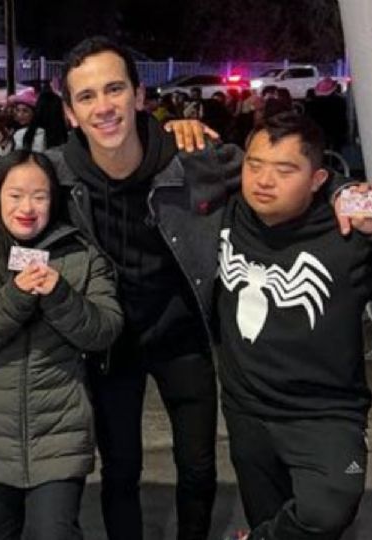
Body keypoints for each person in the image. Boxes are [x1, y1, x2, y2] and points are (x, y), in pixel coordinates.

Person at [46, 36, 243, 540]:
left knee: (199, 468)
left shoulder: (191, 157)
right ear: (70, 113)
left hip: (184, 337)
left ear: (139, 96)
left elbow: (273, 172)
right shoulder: (55, 176)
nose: (103, 106)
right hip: (112, 344)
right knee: (120, 471)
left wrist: (346, 191)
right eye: (86, 96)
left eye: (114, 89)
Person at [218, 112, 372, 540]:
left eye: (286, 170)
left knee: (326, 511)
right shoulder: (228, 212)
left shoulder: (348, 229)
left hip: (325, 412)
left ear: (319, 177)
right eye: (255, 164)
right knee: (270, 520)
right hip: (247, 407)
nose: (264, 180)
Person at [0, 150, 123, 539]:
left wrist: (59, 294)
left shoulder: (81, 255)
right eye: (15, 195)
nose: (27, 207)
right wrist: (16, 296)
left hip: (60, 435)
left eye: (39, 196)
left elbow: (104, 330)